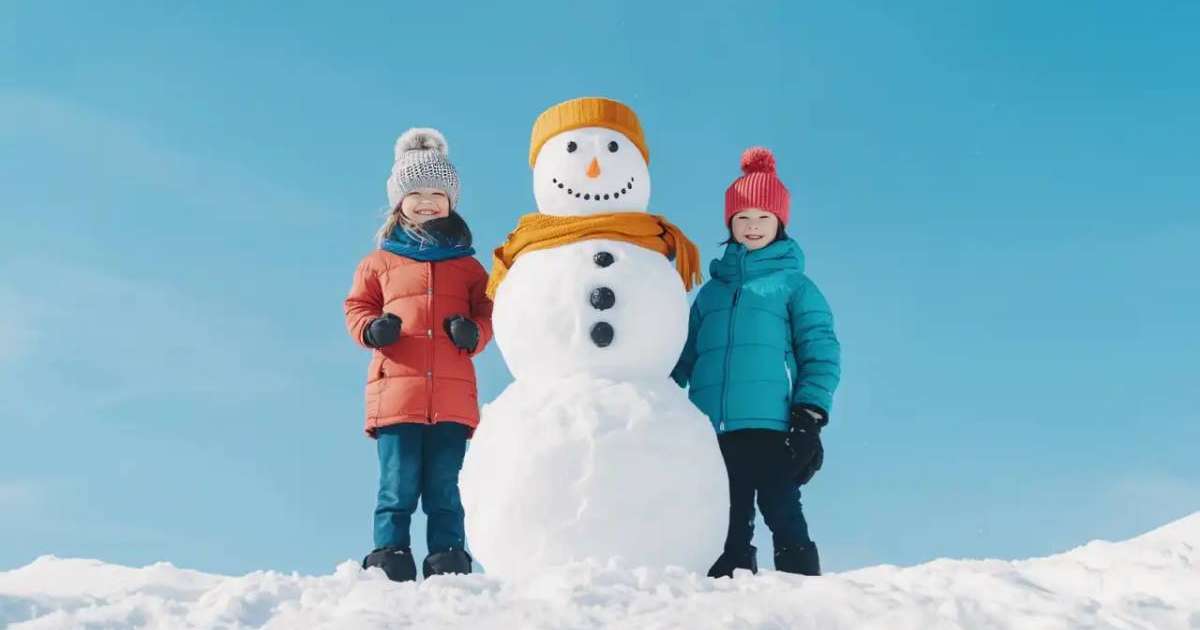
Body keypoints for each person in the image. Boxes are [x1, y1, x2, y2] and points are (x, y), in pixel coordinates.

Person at [671, 147, 841, 577]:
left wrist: (809, 415)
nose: (752, 226)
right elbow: (682, 356)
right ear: (729, 224)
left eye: (763, 218)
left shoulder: (793, 286)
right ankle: (724, 604)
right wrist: (652, 402)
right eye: (742, 218)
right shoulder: (709, 295)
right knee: (723, 522)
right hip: (711, 429)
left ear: (779, 223)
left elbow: (820, 350)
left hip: (771, 426)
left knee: (781, 511)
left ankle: (804, 595)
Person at [344, 127, 493, 582]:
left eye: (437, 193)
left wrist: (473, 333)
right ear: (398, 201)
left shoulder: (468, 266)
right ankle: (390, 554)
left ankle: (448, 556)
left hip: (451, 400)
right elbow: (356, 307)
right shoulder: (380, 262)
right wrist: (373, 328)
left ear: (452, 201)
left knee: (446, 486)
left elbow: (489, 312)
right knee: (397, 485)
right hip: (397, 398)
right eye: (416, 193)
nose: (427, 202)